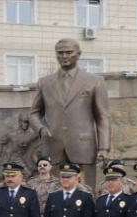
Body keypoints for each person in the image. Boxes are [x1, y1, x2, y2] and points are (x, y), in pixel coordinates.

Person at [28, 38, 110, 186]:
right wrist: (41, 129)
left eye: (68, 52)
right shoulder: (45, 82)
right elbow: (34, 113)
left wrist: (103, 147)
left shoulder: (94, 81)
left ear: (78, 54)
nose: (64, 56)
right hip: (53, 146)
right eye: (60, 53)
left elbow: (102, 117)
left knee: (85, 192)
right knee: (53, 192)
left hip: (83, 147)